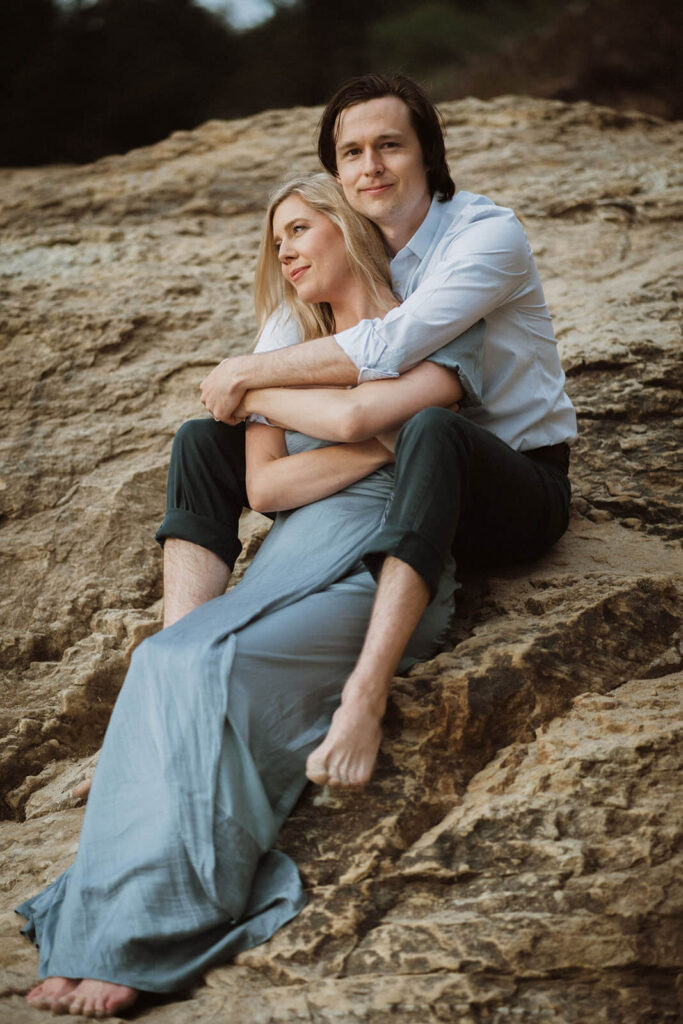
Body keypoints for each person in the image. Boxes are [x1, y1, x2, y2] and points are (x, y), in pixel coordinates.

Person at [20, 174, 473, 1018]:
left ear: (345, 227)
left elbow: (425, 434)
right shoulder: (283, 344)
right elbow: (266, 488)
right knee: (166, 661)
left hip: (380, 561)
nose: (286, 251)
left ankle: (158, 933)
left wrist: (339, 425)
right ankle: (98, 925)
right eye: (277, 241)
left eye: (300, 230)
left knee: (214, 675)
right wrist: (381, 440)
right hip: (293, 552)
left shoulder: (430, 323)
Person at [161, 73, 577, 789]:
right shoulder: (337, 251)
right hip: (394, 470)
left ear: (428, 155)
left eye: (389, 145)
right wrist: (252, 380)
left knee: (429, 434)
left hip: (508, 482)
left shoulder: (483, 237)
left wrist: (253, 380)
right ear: (336, 173)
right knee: (202, 440)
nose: (370, 167)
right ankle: (166, 686)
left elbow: (386, 346)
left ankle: (365, 694)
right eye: (351, 153)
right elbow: (261, 394)